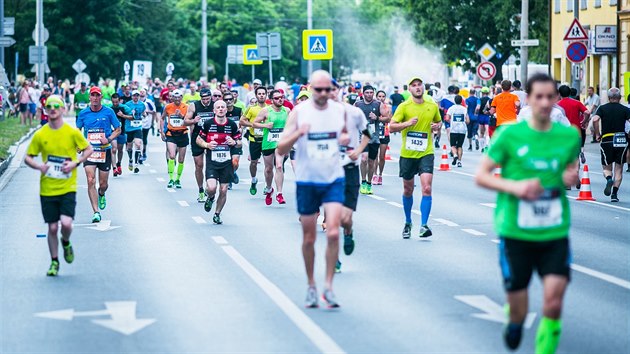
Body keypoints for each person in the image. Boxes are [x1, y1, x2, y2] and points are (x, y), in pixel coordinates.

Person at [475, 73, 581, 354]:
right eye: (539, 97)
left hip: (554, 231)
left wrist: (571, 175)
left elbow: (572, 168)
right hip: (516, 231)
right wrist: (517, 187)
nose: (545, 102)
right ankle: (515, 318)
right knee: (520, 312)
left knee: (554, 303)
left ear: (556, 98)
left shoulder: (568, 135)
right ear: (528, 99)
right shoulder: (510, 135)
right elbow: (482, 176)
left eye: (550, 96)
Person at [277, 70, 349, 308]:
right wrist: (299, 133)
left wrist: (345, 141)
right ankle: (311, 285)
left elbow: (346, 135)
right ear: (309, 89)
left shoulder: (339, 111)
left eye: (327, 89)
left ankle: (328, 287)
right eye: (318, 89)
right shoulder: (299, 112)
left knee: (333, 232)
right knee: (308, 238)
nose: (323, 94)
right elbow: (280, 148)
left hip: (333, 179)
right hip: (307, 181)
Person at [24, 95, 94, 276]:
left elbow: (89, 149)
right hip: (47, 188)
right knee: (52, 227)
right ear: (46, 111)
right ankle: (54, 262)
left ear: (63, 109)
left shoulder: (72, 133)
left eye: (56, 106)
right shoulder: (41, 134)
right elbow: (27, 157)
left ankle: (66, 242)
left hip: (67, 187)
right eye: (49, 106)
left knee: (66, 224)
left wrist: (75, 163)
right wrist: (39, 165)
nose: (53, 109)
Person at [389, 77, 441, 239]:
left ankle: (424, 225)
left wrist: (436, 127)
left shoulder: (432, 106)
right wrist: (407, 124)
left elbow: (439, 123)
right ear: (409, 89)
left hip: (426, 152)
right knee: (408, 189)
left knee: (426, 188)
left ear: (423, 88)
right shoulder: (404, 107)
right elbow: (391, 127)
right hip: (408, 154)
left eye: (419, 85)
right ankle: (408, 221)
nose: (417, 88)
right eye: (414, 86)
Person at [330, 79, 370, 272]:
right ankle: (335, 259)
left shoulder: (354, 113)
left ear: (339, 91)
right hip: (327, 171)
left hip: (350, 169)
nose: (329, 93)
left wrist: (359, 150)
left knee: (345, 218)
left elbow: (368, 134)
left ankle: (349, 231)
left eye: (332, 89)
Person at [76, 86, 121, 223]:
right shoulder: (83, 114)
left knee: (103, 184)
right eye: (93, 95)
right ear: (89, 97)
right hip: (89, 152)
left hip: (104, 151)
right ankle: (96, 212)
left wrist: (108, 139)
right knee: (90, 180)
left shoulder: (108, 112)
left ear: (101, 97)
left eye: (98, 95)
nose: (95, 98)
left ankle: (101, 193)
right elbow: (77, 130)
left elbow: (118, 129)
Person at [196, 100, 242, 224]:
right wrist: (207, 144)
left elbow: (239, 142)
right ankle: (210, 197)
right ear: (214, 110)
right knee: (211, 188)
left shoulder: (232, 125)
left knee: (223, 190)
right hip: (212, 161)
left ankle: (217, 214)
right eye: (218, 107)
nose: (221, 109)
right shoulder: (208, 124)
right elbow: (198, 139)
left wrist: (234, 142)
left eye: (223, 107)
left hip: (227, 162)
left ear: (226, 110)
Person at [592, 88, 630, 202]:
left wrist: (598, 134)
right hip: (621, 140)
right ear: (620, 97)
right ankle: (614, 195)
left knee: (606, 167)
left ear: (609, 98)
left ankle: (609, 178)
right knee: (619, 169)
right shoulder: (624, 109)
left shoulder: (602, 108)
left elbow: (595, 120)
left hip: (607, 139)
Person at [253, 89, 290, 205]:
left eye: (282, 97)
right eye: (277, 98)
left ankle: (279, 193)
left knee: (279, 166)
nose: (280, 99)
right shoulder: (266, 111)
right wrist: (265, 125)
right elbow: (254, 123)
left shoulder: (287, 110)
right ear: (271, 100)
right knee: (269, 169)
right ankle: (269, 188)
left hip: (280, 144)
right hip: (268, 143)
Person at [355, 85, 388, 194]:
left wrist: (377, 118)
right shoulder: (358, 104)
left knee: (371, 161)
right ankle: (363, 182)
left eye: (371, 93)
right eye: (367, 93)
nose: (369, 95)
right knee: (364, 158)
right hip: (363, 135)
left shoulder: (378, 104)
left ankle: (369, 183)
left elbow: (388, 118)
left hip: (374, 137)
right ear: (363, 94)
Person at [184, 88, 214, 201]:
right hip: (198, 136)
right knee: (199, 164)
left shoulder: (215, 105)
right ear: (200, 98)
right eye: (204, 99)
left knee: (211, 163)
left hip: (211, 136)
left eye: (208, 99)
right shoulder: (194, 106)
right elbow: (185, 121)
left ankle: (210, 186)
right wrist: (193, 121)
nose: (206, 101)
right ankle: (201, 189)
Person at [240, 86, 268, 195]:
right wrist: (253, 124)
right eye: (259, 94)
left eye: (263, 94)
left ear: (266, 95)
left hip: (266, 140)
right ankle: (254, 179)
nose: (261, 95)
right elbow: (242, 121)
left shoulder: (270, 108)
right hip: (254, 139)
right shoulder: (251, 108)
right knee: (253, 163)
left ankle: (267, 185)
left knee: (268, 165)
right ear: (256, 96)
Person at [159, 89, 188, 188]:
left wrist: (181, 116)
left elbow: (188, 121)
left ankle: (178, 179)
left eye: (179, 97)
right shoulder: (168, 107)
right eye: (175, 97)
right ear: (172, 97)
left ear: (181, 97)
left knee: (181, 159)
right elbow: (162, 118)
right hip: (171, 134)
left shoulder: (186, 107)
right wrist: (161, 131)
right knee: (171, 156)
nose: (177, 99)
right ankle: (171, 178)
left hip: (183, 134)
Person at [223, 91, 243, 187]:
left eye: (230, 99)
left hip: (236, 139)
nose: (228, 101)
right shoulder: (222, 111)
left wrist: (241, 129)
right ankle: (229, 178)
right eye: (226, 100)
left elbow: (243, 122)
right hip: (224, 140)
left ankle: (233, 172)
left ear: (233, 99)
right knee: (226, 161)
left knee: (235, 163)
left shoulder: (238, 110)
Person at [124, 90, 146, 173]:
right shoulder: (127, 105)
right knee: (129, 147)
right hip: (129, 128)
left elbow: (144, 113)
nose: (136, 97)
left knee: (138, 144)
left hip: (138, 127)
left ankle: (136, 164)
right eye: (134, 95)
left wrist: (144, 115)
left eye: (137, 95)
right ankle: (130, 159)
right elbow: (124, 115)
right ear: (131, 96)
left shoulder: (142, 104)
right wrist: (130, 113)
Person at [110, 94, 132, 176]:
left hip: (122, 132)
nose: (115, 104)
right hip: (112, 132)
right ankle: (114, 168)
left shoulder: (124, 107)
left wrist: (123, 115)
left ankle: (119, 163)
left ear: (119, 101)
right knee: (114, 149)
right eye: (113, 102)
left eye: (116, 102)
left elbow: (132, 117)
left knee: (120, 149)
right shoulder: (109, 108)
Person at [445, 95, 469, 167]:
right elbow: (467, 120)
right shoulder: (464, 109)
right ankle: (459, 162)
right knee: (460, 146)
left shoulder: (451, 108)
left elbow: (447, 118)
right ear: (461, 101)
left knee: (453, 145)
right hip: (462, 130)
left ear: (454, 101)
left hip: (453, 129)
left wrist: (451, 122)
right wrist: (464, 122)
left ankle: (455, 155)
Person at [374, 90, 392, 185]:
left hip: (384, 133)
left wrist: (379, 118)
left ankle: (380, 174)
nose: (381, 98)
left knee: (382, 156)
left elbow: (389, 119)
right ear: (376, 97)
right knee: (374, 156)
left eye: (383, 96)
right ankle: (374, 174)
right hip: (374, 133)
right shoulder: (373, 106)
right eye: (379, 96)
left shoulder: (388, 107)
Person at [476, 87, 492, 152]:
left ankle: (482, 147)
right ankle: (487, 145)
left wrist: (476, 112)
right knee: (487, 132)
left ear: (482, 93)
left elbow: (478, 107)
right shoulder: (490, 99)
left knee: (481, 133)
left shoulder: (479, 99)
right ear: (488, 93)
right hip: (487, 116)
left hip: (480, 116)